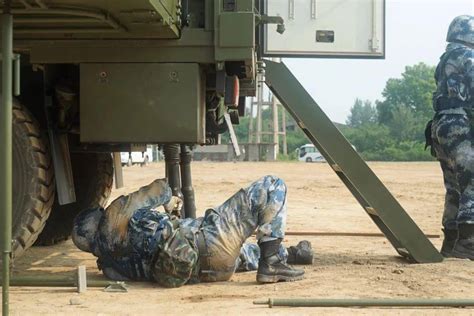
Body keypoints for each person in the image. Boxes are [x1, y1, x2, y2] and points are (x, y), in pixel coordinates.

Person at [72, 176, 313, 287]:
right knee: (272, 186)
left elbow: (159, 254)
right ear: (97, 219)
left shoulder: (110, 269)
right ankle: (271, 262)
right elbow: (160, 189)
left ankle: (291, 254)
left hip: (208, 270)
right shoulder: (113, 217)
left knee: (237, 251)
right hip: (209, 240)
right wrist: (168, 198)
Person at [426, 15, 473, 259]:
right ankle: (469, 244)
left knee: (453, 186)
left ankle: (451, 243)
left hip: (440, 126)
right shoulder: (468, 56)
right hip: (460, 126)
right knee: (471, 181)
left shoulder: (445, 58)